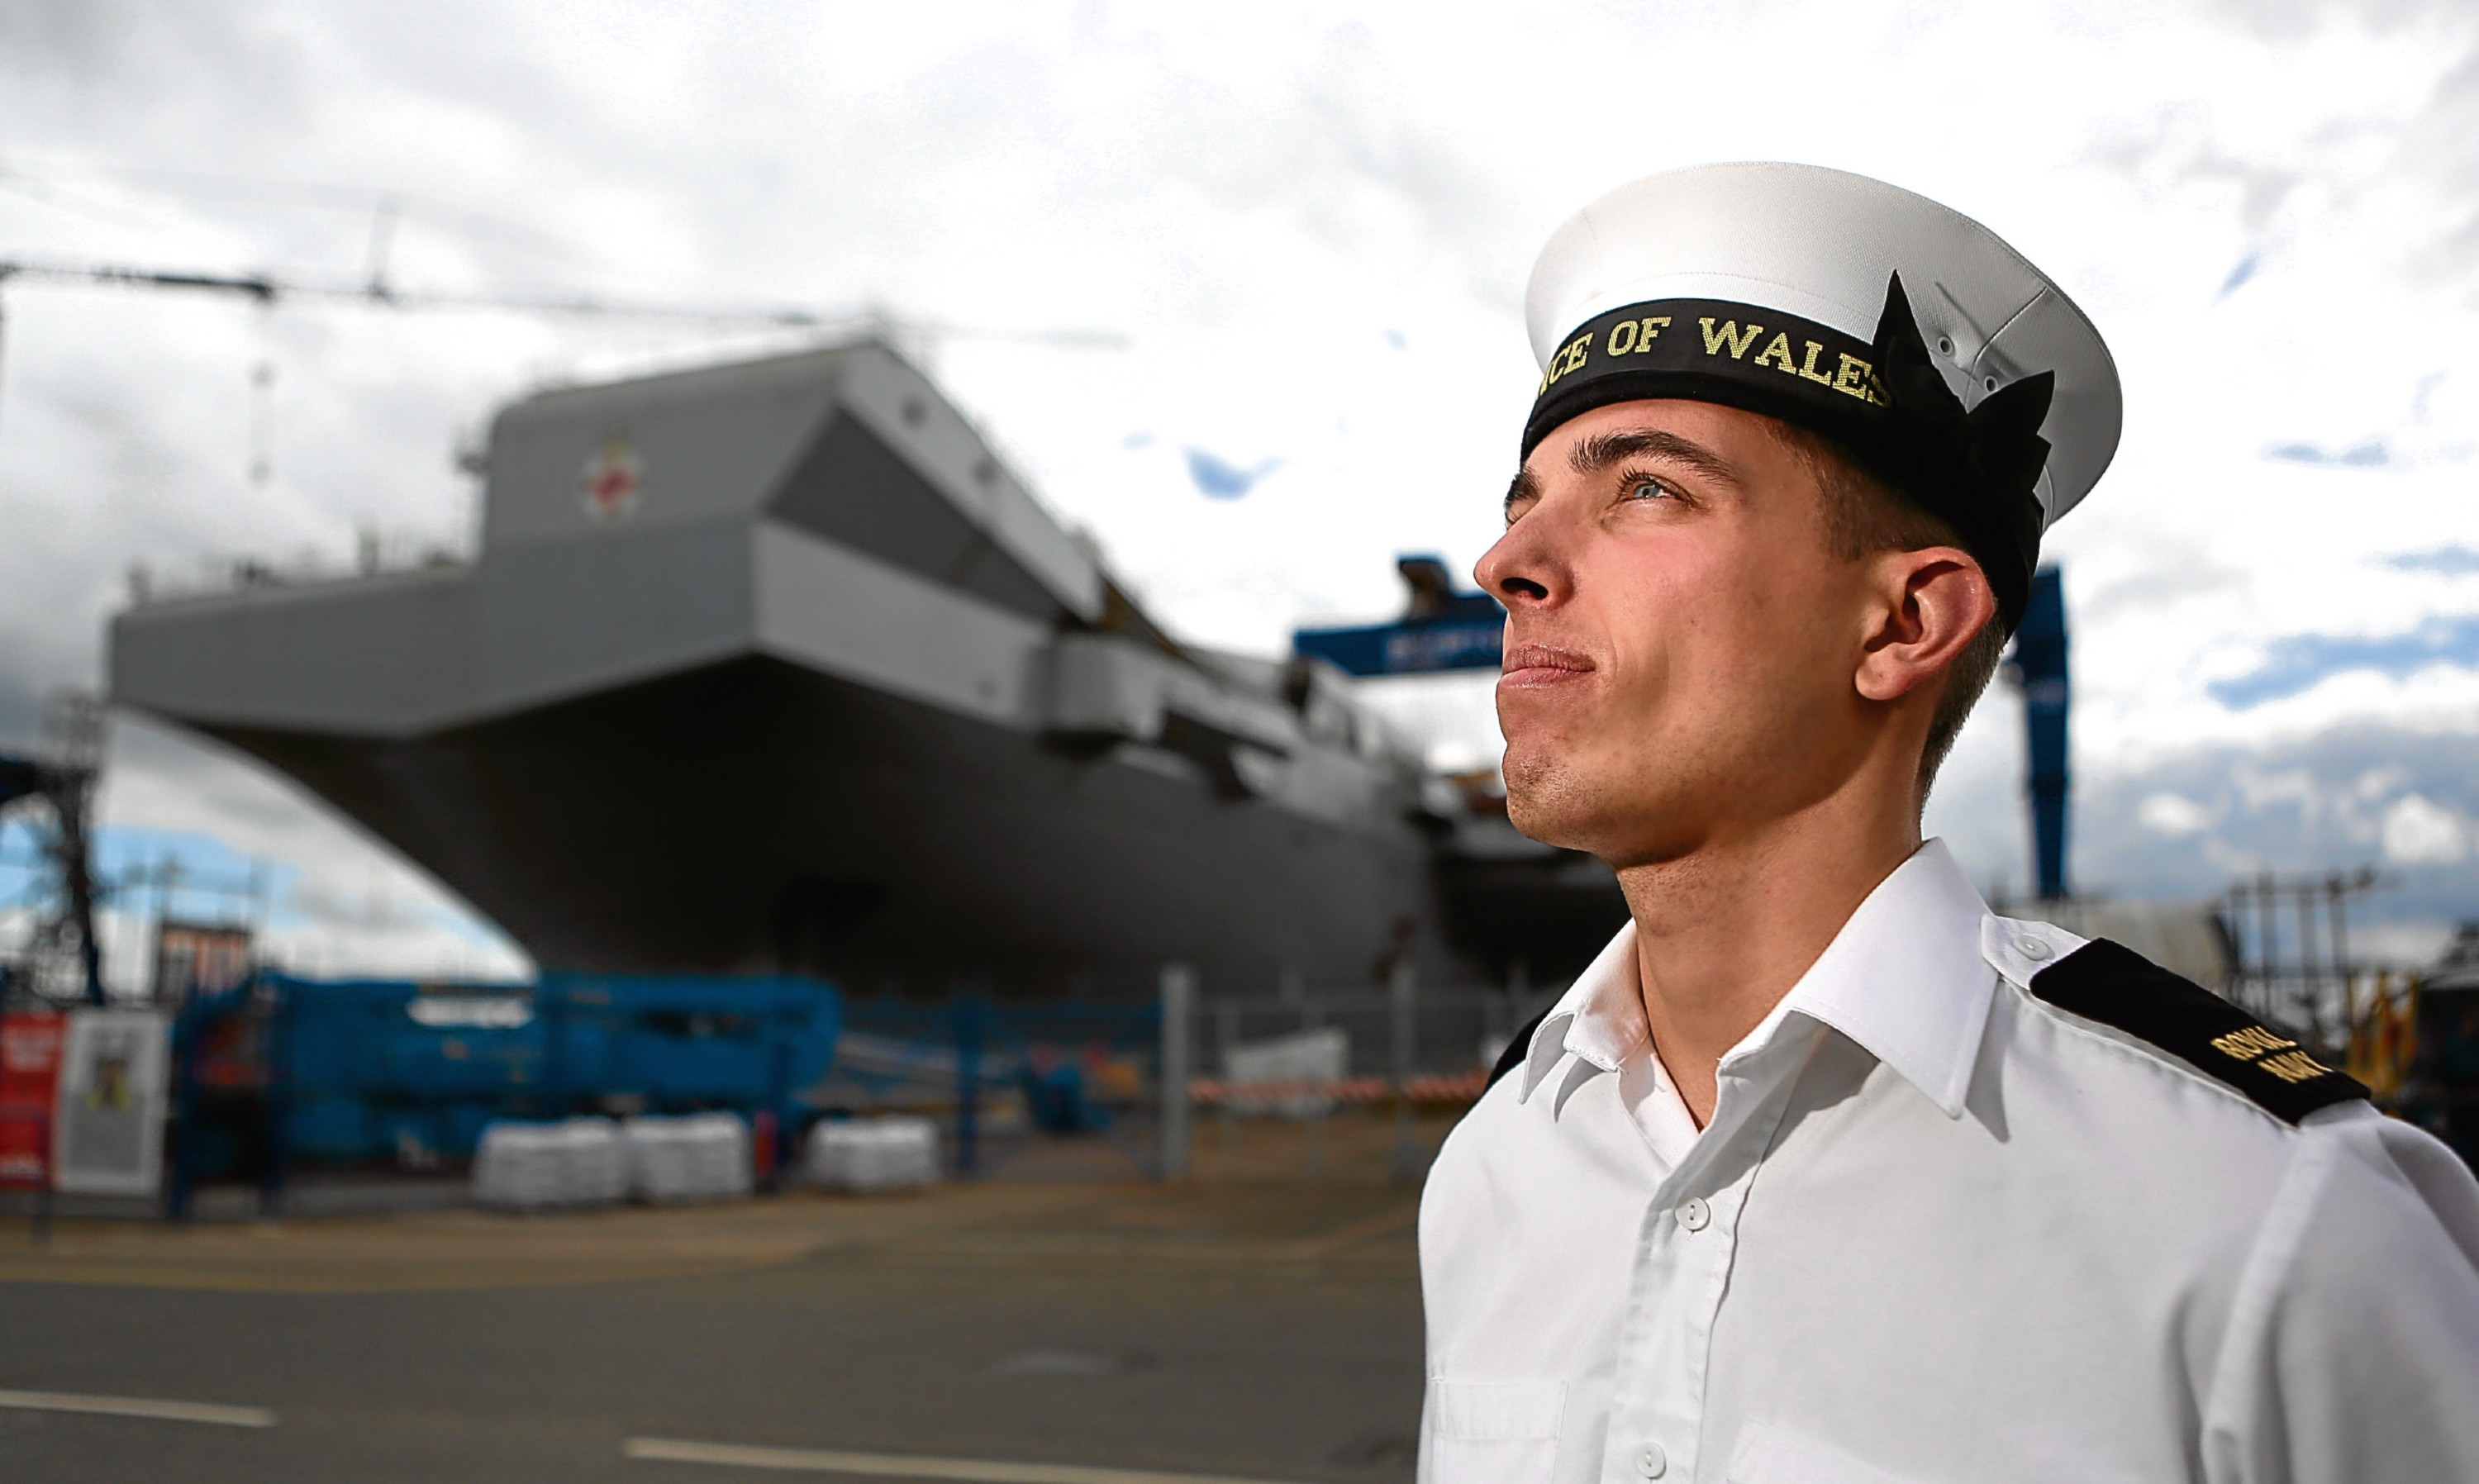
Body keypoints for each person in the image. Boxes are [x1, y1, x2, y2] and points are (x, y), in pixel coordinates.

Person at [1418, 163, 2479, 1484]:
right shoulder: (1497, 1164)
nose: (1503, 563)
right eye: (1524, 500)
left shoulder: (2271, 1219)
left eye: (1646, 489)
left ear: (1907, 622)